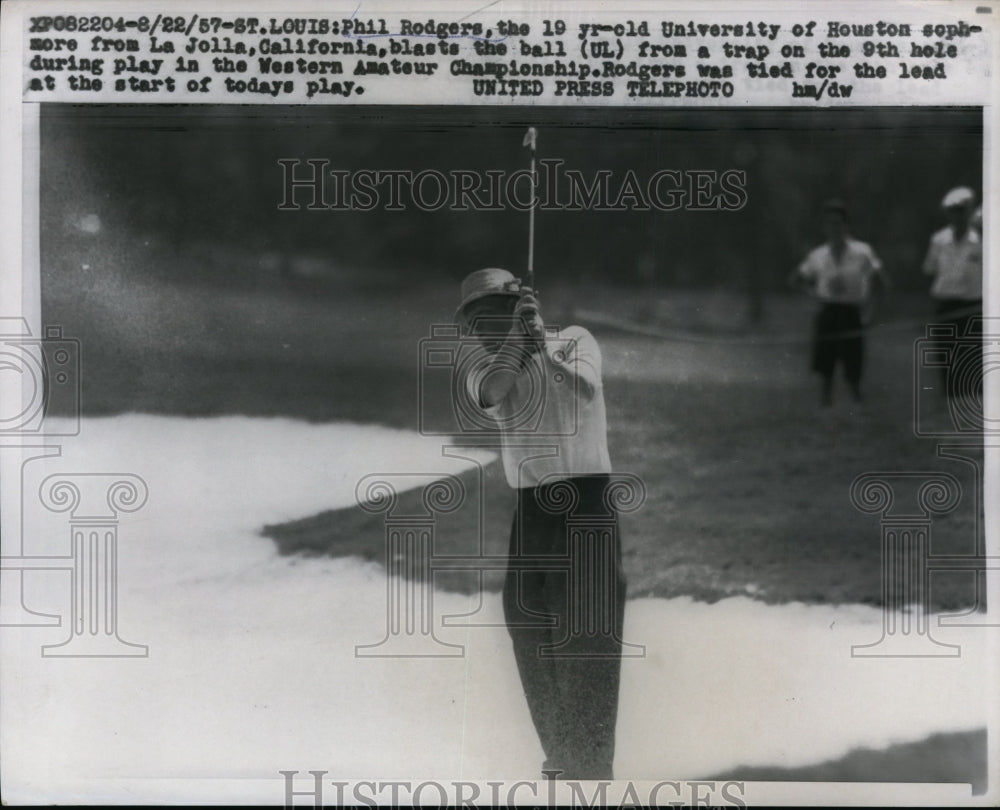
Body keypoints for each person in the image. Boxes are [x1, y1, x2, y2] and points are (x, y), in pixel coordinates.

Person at [454, 267, 626, 781]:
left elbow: (587, 388)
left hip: (588, 505)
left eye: (495, 315)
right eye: (476, 322)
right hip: (532, 510)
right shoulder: (483, 367)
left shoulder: (575, 340)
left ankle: (590, 766)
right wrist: (517, 343)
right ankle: (563, 755)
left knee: (588, 635)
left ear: (518, 307)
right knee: (530, 629)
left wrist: (541, 345)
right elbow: (492, 391)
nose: (484, 329)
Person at [792, 199, 888, 406]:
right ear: (824, 226)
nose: (834, 228)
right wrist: (814, 293)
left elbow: (881, 281)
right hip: (828, 310)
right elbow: (796, 279)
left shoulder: (862, 252)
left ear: (846, 225)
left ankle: (857, 399)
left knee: (853, 359)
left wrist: (872, 313)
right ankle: (825, 401)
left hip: (852, 311)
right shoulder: (818, 255)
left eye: (838, 223)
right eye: (830, 223)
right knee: (825, 359)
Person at [922, 187, 984, 402]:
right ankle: (950, 401)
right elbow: (929, 271)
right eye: (953, 211)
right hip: (946, 305)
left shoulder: (981, 241)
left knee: (971, 357)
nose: (957, 216)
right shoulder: (938, 240)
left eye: (961, 211)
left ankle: (972, 404)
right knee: (946, 356)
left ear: (969, 212)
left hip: (972, 306)